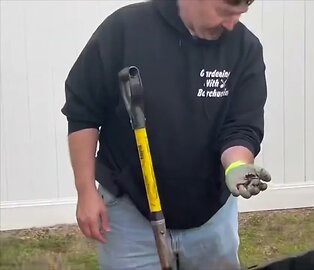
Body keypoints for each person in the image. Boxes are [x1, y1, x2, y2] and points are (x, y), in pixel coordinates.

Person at [61, 0, 271, 269]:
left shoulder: (244, 49)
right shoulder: (125, 30)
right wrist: (85, 190)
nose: (232, 24)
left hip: (210, 218)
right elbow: (83, 112)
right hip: (131, 214)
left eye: (240, 14)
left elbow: (241, 127)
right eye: (224, 12)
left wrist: (238, 166)